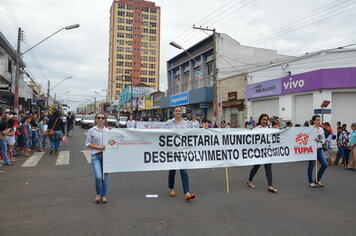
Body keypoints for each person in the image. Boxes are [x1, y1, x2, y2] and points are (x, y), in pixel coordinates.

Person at [163, 106, 196, 200]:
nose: (178, 112)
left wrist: (204, 129)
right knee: (172, 170)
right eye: (176, 111)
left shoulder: (186, 123)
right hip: (172, 150)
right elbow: (160, 133)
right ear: (173, 112)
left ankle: (187, 192)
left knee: (184, 171)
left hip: (182, 151)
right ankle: (171, 189)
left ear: (182, 112)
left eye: (179, 111)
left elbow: (193, 132)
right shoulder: (168, 123)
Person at [247, 113, 278, 193]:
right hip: (258, 152)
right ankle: (250, 180)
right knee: (256, 167)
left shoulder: (270, 129)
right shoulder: (256, 129)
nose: (265, 121)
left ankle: (270, 186)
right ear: (260, 120)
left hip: (267, 151)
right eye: (263, 119)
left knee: (268, 168)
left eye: (266, 120)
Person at [85, 112, 109, 204]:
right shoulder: (91, 130)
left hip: (107, 157)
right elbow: (87, 143)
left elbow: (114, 142)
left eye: (102, 118)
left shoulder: (108, 131)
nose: (100, 119)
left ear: (105, 120)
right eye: (98, 117)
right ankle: (98, 194)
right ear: (95, 119)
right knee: (98, 176)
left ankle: (103, 196)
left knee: (105, 177)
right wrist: (99, 147)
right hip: (96, 156)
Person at [307, 115, 328, 188]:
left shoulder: (321, 129)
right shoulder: (310, 129)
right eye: (317, 120)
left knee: (325, 164)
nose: (319, 121)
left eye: (319, 120)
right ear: (313, 121)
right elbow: (306, 139)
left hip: (319, 148)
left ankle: (317, 179)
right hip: (312, 149)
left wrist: (320, 140)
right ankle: (310, 181)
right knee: (311, 165)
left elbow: (324, 140)